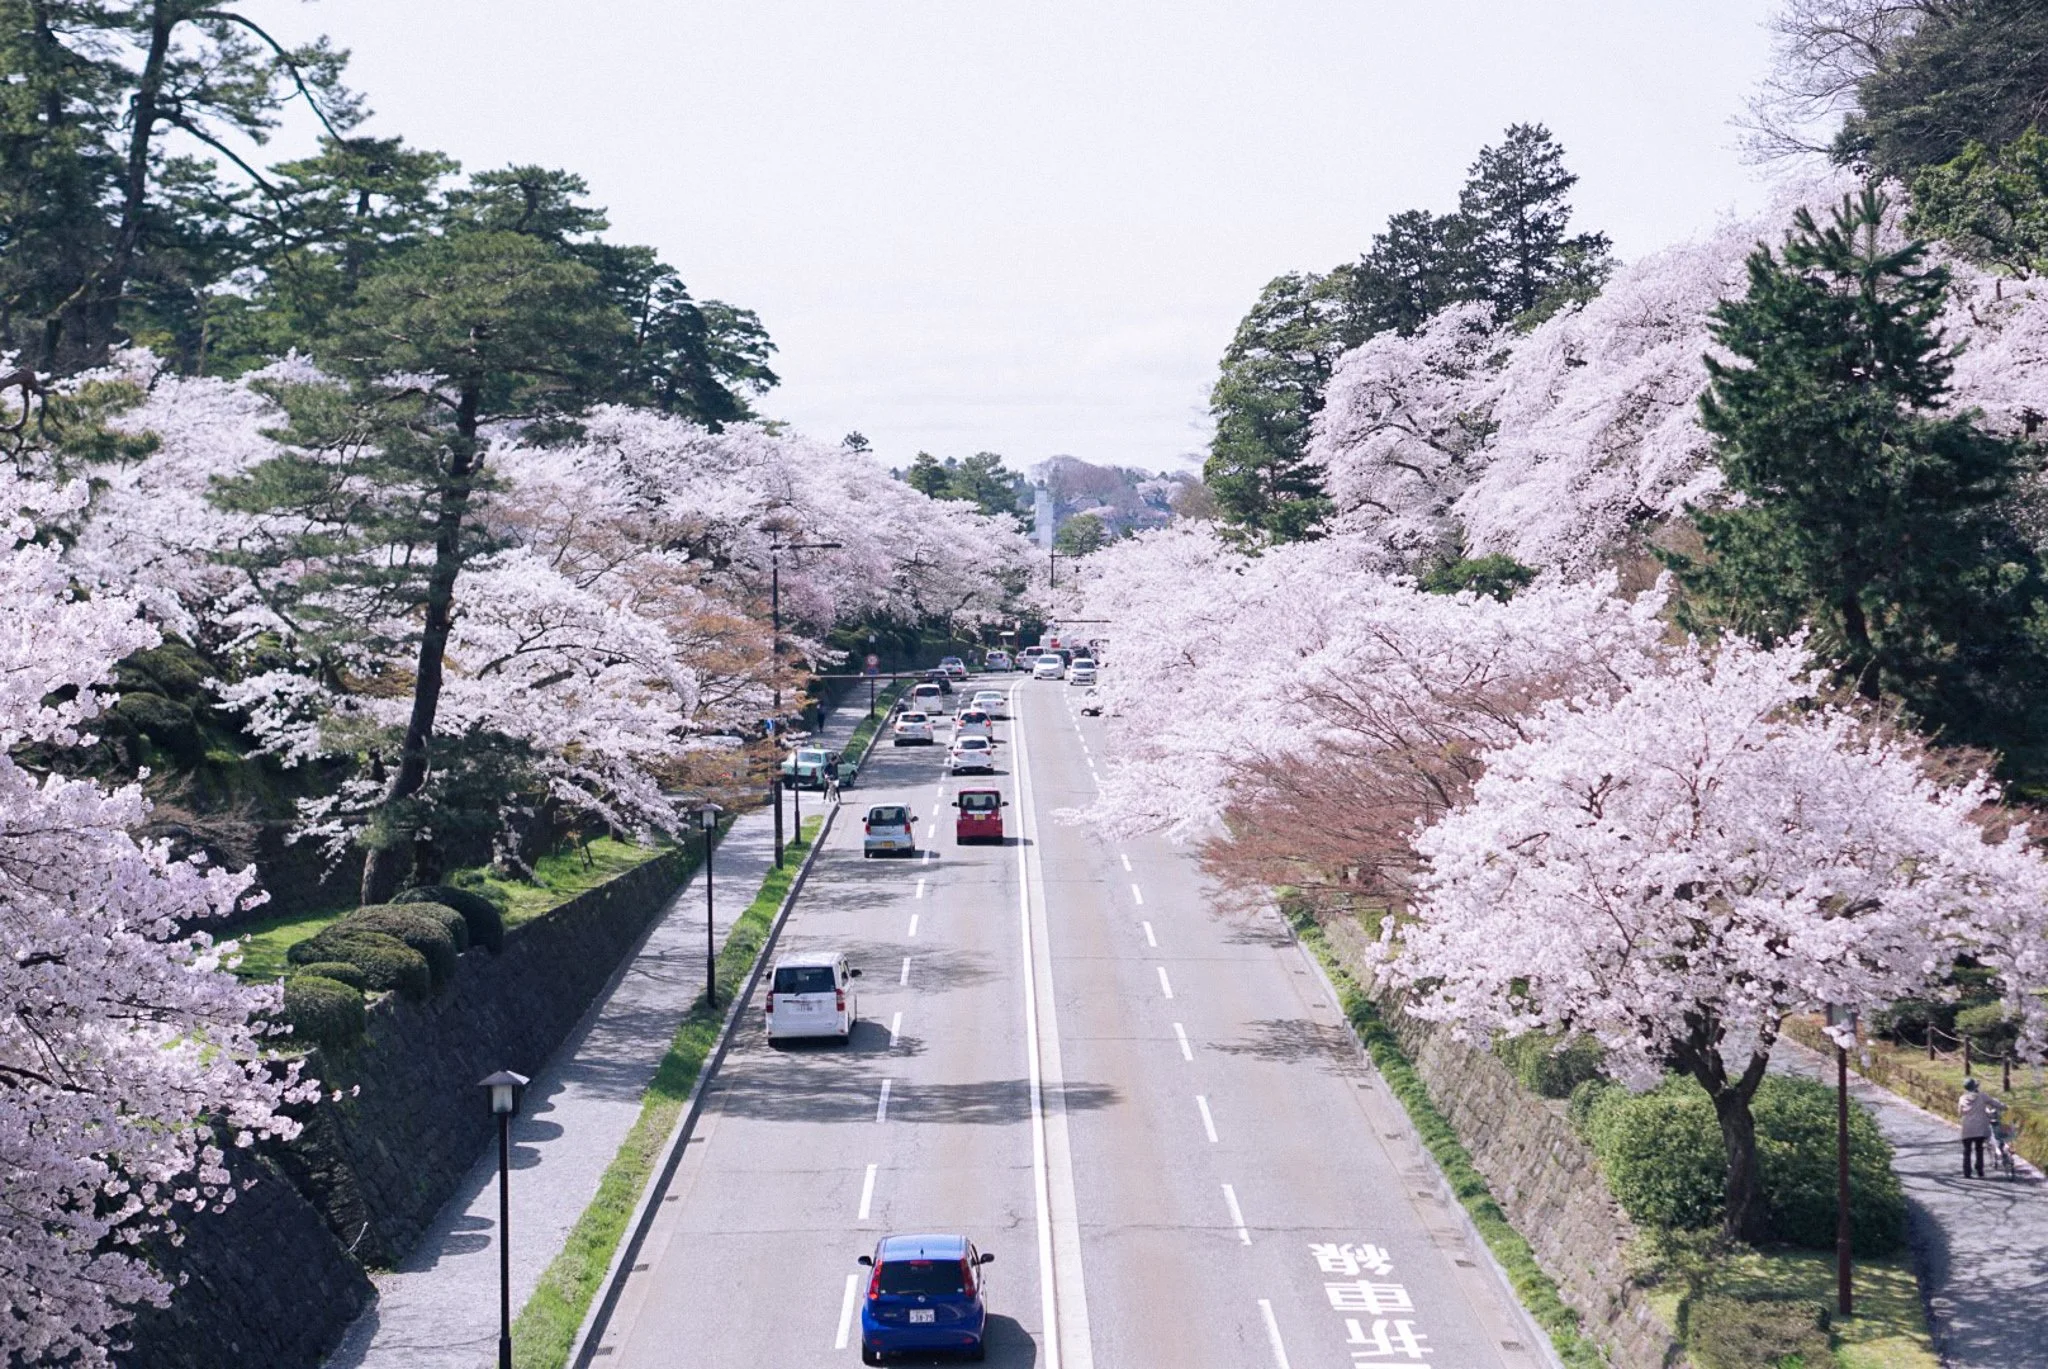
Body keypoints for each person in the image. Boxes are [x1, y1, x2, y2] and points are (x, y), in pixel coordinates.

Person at [1959, 1077, 2005, 1177]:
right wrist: (2004, 1106)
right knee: (1979, 1149)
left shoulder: (1962, 1098)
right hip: (1980, 1128)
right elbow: (1994, 1103)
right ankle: (1980, 1170)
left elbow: (1960, 1112)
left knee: (1967, 1151)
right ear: (1975, 1087)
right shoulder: (1982, 1096)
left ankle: (1967, 1172)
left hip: (1966, 1128)